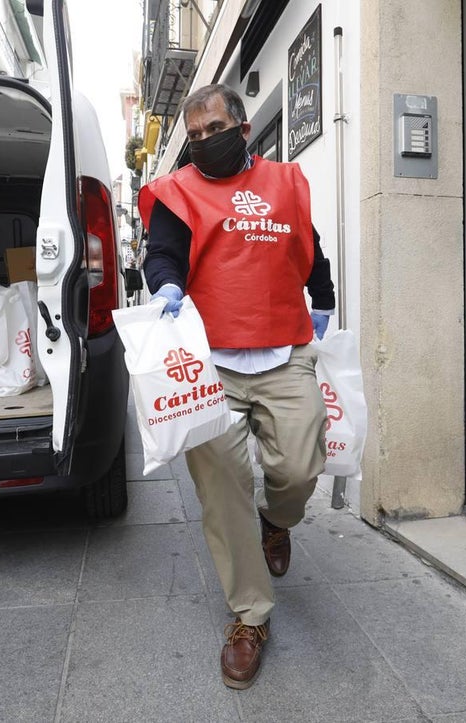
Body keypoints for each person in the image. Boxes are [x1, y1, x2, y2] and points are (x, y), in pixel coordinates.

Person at [138, 83, 336, 690]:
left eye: (212, 130)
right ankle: (250, 615)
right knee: (223, 489)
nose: (202, 142)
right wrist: (167, 285)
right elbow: (163, 253)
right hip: (211, 362)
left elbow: (312, 250)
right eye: (193, 136)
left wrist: (323, 298)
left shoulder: (285, 183)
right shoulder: (179, 191)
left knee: (301, 466)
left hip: (284, 348)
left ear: (244, 129)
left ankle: (276, 520)